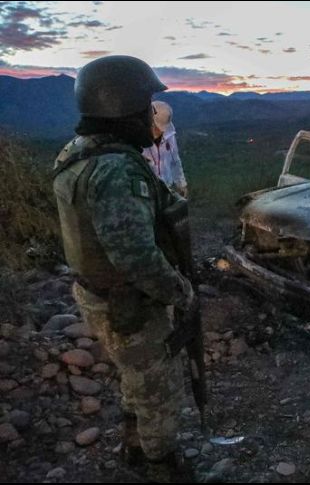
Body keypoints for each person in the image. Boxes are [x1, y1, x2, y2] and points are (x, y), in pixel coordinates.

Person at [52, 55, 196, 481]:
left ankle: (134, 447)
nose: (151, 114)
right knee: (158, 387)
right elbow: (135, 257)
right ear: (122, 107)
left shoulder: (78, 152)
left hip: (99, 293)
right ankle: (160, 465)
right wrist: (180, 290)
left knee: (135, 374)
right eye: (146, 105)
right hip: (126, 301)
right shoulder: (116, 169)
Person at [143, 100, 188, 197]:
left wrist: (181, 184)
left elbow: (175, 160)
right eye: (156, 127)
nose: (159, 131)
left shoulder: (170, 135)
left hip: (167, 187)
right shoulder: (139, 139)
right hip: (148, 190)